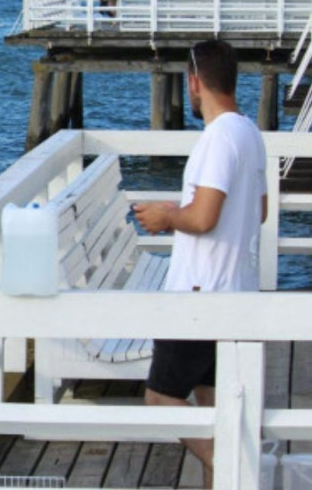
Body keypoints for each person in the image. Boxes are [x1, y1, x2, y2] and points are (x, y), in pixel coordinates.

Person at [133, 39, 267, 489]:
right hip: (234, 291)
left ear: (194, 82)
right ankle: (227, 473)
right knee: (215, 408)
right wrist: (185, 209)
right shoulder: (249, 133)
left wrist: (167, 215)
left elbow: (204, 219)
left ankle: (239, 469)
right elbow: (259, 211)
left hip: (198, 295)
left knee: (159, 397)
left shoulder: (216, 138)